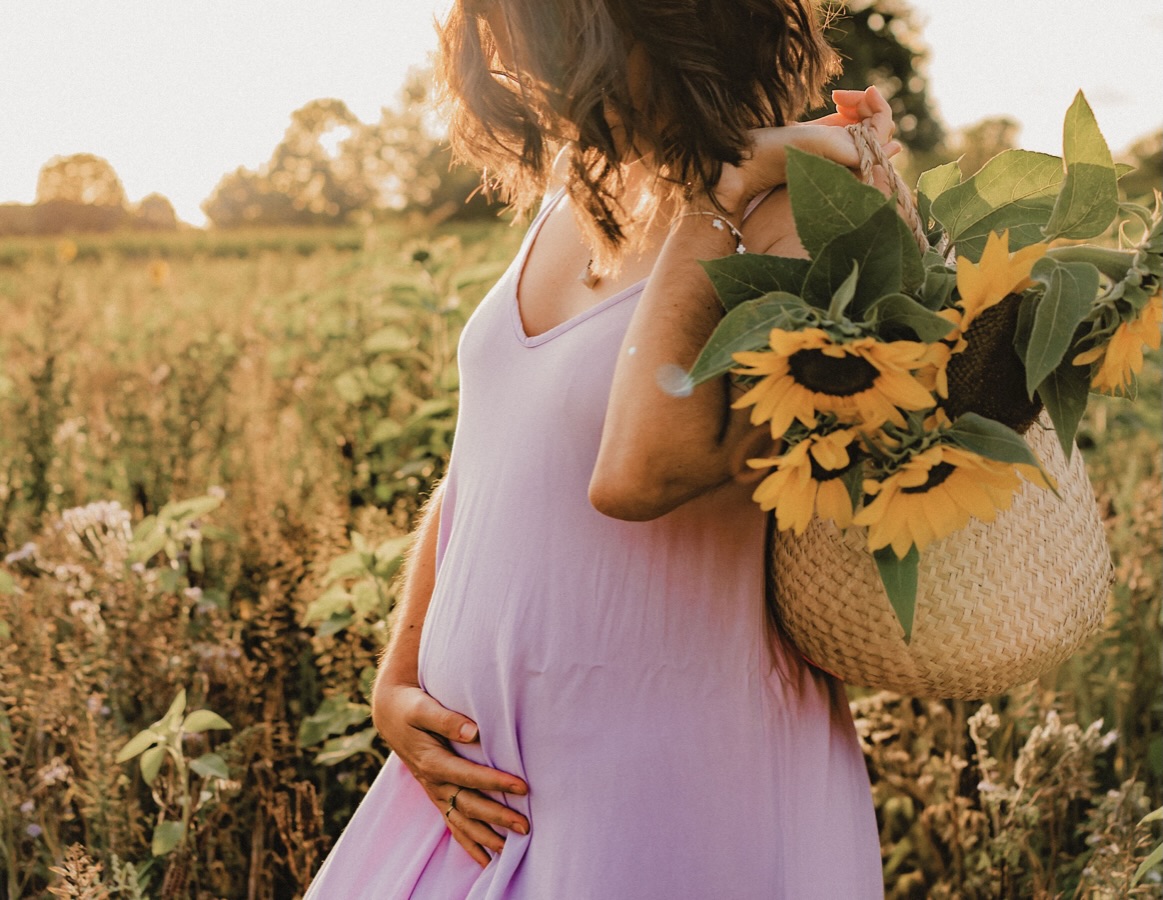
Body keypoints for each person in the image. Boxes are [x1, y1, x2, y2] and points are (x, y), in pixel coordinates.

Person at [307, 1, 899, 896]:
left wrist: (724, 197)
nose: (509, 60)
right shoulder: (578, 185)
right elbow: (495, 448)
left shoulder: (801, 217)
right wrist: (399, 676)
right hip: (477, 789)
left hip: (669, 783)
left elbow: (639, 470)